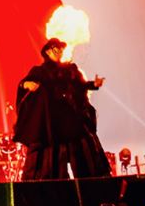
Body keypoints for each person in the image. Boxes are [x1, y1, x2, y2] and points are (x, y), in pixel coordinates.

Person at [13, 38, 111, 180]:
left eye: (61, 49)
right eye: (56, 48)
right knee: (50, 162)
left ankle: (91, 184)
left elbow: (80, 85)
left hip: (71, 119)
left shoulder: (69, 70)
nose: (59, 51)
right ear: (47, 52)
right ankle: (51, 187)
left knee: (85, 151)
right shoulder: (39, 71)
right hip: (51, 123)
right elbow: (24, 83)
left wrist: (93, 84)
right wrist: (27, 84)